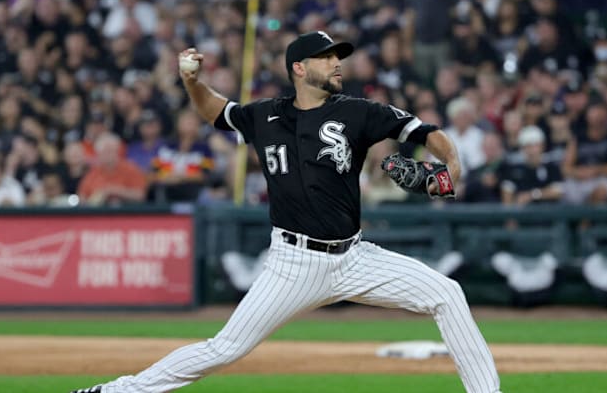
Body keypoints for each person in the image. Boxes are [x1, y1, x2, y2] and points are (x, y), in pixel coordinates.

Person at [71, 32, 502, 393]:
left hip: (355, 257)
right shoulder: (266, 115)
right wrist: (192, 81)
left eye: (338, 57)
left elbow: (425, 132)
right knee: (224, 349)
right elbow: (216, 112)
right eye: (327, 57)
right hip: (293, 263)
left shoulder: (357, 112)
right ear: (299, 67)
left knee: (447, 294)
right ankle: (116, 391)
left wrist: (453, 162)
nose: (337, 64)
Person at [76, 133, 147, 206]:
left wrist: (115, 191)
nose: (108, 155)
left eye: (110, 151)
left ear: (118, 152)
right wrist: (95, 198)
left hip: (126, 213)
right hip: (97, 214)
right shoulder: (93, 172)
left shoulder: (131, 169)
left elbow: (140, 196)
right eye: (104, 152)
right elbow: (82, 196)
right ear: (98, 154)